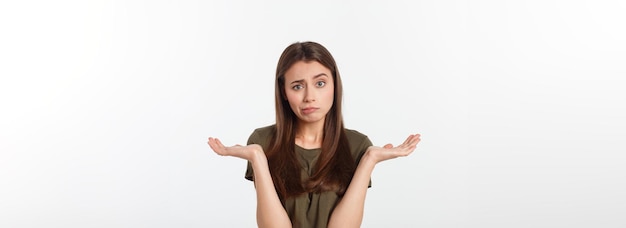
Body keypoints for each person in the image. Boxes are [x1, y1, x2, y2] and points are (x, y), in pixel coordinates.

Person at [207, 41, 421, 228]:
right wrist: (257, 158)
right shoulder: (263, 142)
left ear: (334, 85)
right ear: (284, 92)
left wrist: (369, 160)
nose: (310, 96)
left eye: (320, 83)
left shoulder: (358, 145)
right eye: (297, 86)